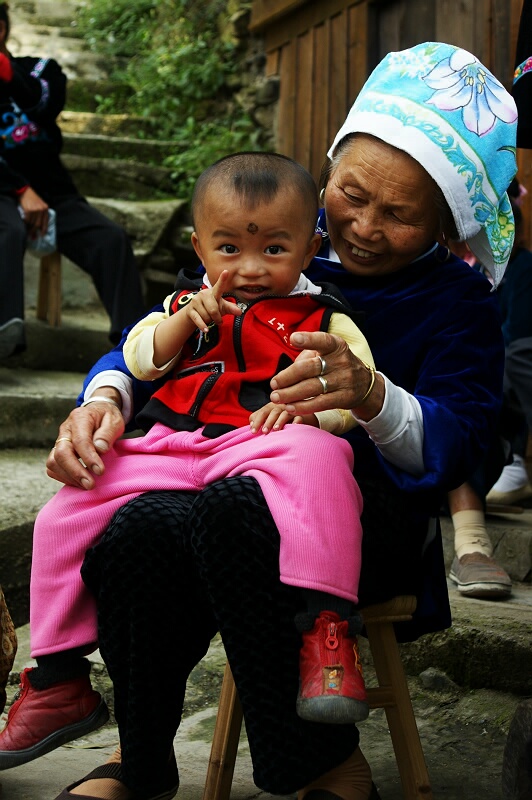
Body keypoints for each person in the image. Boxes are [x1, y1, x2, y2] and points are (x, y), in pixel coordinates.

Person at [3, 41, 517, 800]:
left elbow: (463, 441)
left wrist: (372, 397)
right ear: (325, 181)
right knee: (143, 525)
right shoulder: (266, 246)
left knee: (238, 512)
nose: (365, 226)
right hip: (213, 472)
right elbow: (152, 341)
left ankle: (318, 760)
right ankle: (140, 760)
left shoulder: (458, 304)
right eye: (351, 195)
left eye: (400, 213)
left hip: (362, 519)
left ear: (445, 225)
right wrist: (101, 404)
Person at [0, 151, 376, 770]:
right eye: (229, 249)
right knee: (64, 511)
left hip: (260, 441)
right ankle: (59, 676)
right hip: (170, 444)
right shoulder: (181, 306)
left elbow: (351, 393)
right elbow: (139, 359)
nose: (251, 269)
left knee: (323, 461)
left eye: (275, 251)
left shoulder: (323, 315)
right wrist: (180, 325)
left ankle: (326, 628)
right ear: (200, 247)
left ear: (309, 251)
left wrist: (316, 411)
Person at [0, 2, 146, 357]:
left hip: (54, 191)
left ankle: (135, 346)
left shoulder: (41, 69)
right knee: (8, 231)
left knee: (110, 240)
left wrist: (6, 74)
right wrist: (20, 189)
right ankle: (5, 334)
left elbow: (43, 105)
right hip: (3, 190)